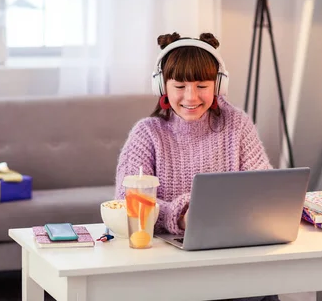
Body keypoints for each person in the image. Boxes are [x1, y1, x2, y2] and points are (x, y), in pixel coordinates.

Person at [115, 32, 279, 301]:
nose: (191, 97)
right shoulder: (147, 133)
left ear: (218, 85)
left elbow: (264, 186)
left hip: (233, 256)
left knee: (261, 290)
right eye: (180, 86)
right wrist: (181, 217)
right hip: (167, 264)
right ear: (162, 86)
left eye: (202, 85)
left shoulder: (236, 124)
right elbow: (128, 205)